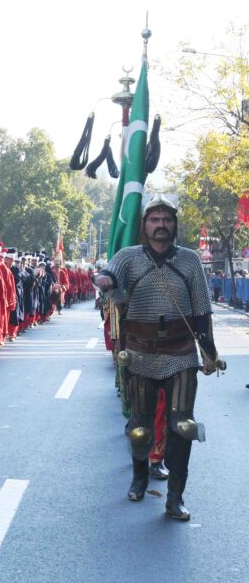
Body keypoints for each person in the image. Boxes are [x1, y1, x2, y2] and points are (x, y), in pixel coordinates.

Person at [95, 193, 219, 521]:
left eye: (166, 219)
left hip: (180, 353)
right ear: (145, 224)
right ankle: (139, 478)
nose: (161, 225)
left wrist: (209, 352)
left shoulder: (190, 260)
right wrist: (104, 279)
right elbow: (110, 274)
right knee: (141, 427)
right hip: (139, 353)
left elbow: (202, 311)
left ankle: (175, 497)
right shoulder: (129, 256)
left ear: (174, 224)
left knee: (183, 425)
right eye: (154, 219)